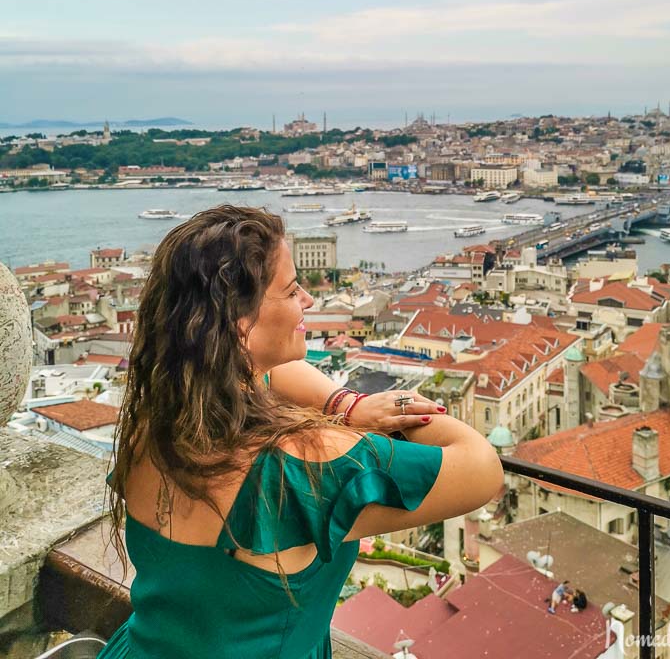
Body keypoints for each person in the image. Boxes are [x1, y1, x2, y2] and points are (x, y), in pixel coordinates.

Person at [99, 205, 503, 659]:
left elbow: (265, 375)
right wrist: (402, 408)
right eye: (292, 291)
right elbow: (482, 467)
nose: (308, 300)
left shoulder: (158, 417)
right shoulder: (303, 468)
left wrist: (347, 405)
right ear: (241, 325)